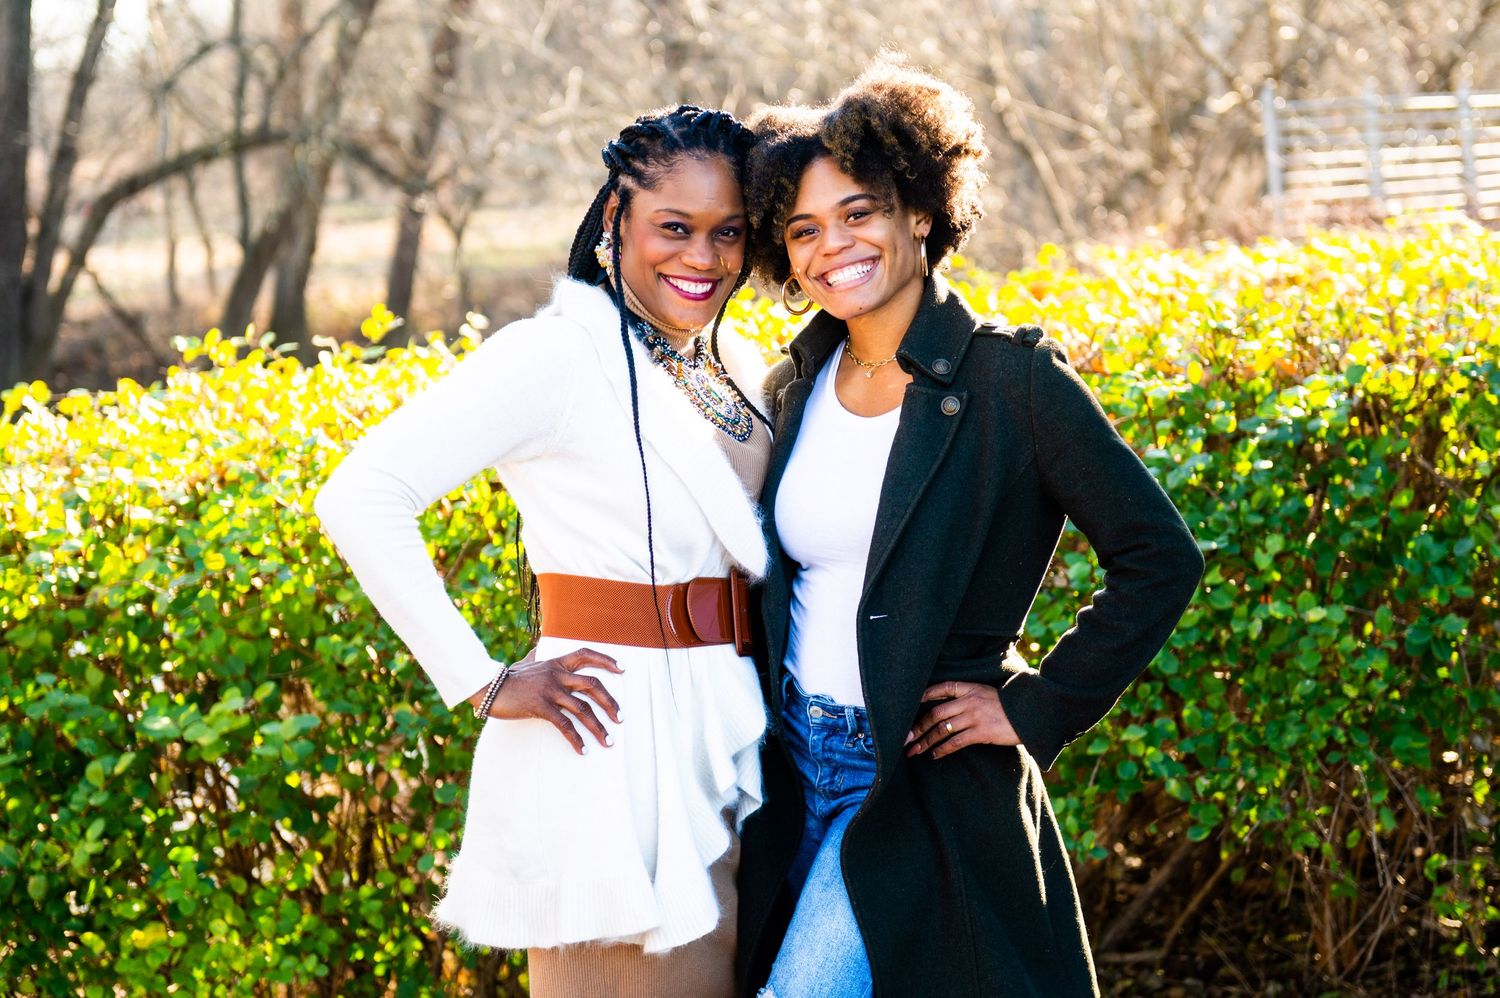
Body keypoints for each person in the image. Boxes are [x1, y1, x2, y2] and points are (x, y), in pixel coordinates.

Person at [733, 57, 1205, 998]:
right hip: (787, 768)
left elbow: (1160, 557)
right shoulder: (794, 385)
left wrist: (1036, 706)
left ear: (919, 211)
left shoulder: (1012, 382)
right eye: (804, 230)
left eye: (858, 213)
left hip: (913, 779)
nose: (832, 246)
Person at [314, 104, 775, 998]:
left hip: (726, 728)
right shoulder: (556, 357)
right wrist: (480, 680)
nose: (705, 256)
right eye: (674, 228)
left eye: (729, 232)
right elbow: (360, 496)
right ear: (616, 220)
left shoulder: (734, 363)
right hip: (610, 742)